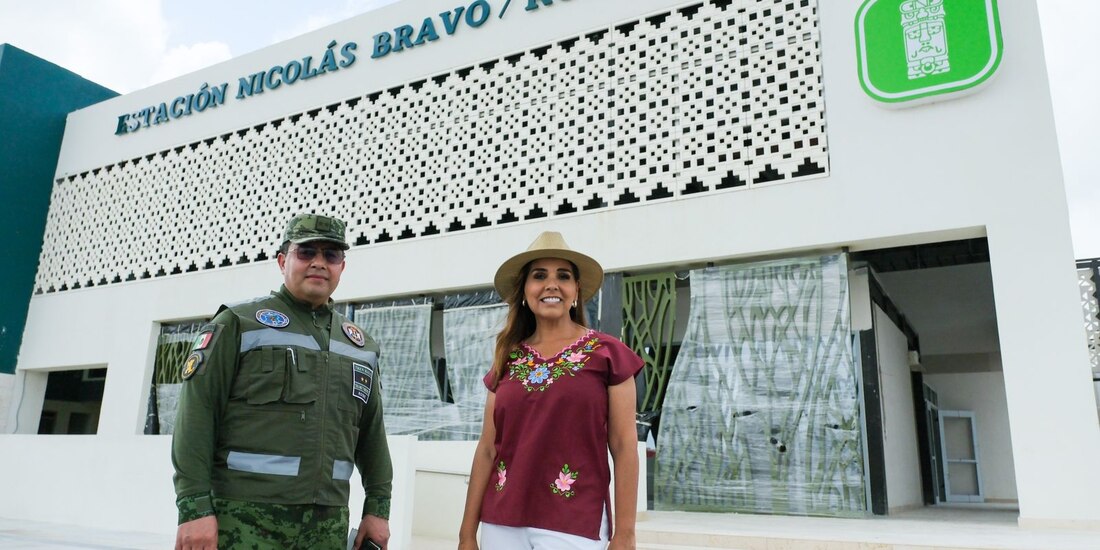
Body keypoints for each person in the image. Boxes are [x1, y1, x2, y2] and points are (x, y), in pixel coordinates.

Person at [172, 213, 392, 550]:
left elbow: (372, 434)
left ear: (342, 267)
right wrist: (194, 507)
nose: (319, 263)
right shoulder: (237, 324)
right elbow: (196, 418)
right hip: (244, 521)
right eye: (306, 253)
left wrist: (378, 509)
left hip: (327, 527)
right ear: (282, 260)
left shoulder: (360, 346)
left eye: (331, 255)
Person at [459, 231, 643, 549]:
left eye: (563, 276)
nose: (551, 284)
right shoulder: (508, 359)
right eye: (539, 275)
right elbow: (488, 449)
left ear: (576, 292)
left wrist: (625, 533)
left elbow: (625, 446)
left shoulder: (608, 354)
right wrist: (466, 535)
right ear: (525, 292)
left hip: (574, 524)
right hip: (501, 522)